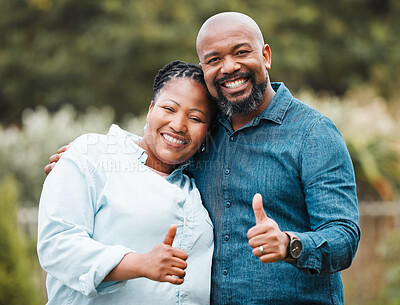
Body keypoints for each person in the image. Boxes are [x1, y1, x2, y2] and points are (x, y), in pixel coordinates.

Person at [45, 12, 361, 305]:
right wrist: (92, 153)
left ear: (265, 56)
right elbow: (162, 147)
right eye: (214, 59)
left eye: (241, 52)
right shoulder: (206, 134)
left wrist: (291, 244)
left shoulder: (313, 133)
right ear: (206, 70)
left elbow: (344, 236)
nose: (229, 67)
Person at [37, 60, 216, 305]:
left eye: (195, 118)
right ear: (150, 109)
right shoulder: (94, 155)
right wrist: (139, 263)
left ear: (208, 131)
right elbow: (56, 245)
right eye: (169, 108)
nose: (178, 125)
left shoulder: (198, 182)